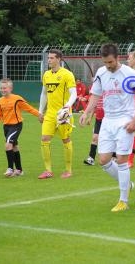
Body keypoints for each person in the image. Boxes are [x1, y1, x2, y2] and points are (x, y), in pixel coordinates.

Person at [79, 43, 135, 212]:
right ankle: (127, 184)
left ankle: (123, 201)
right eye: (105, 62)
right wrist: (86, 112)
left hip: (125, 119)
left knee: (122, 160)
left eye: (110, 62)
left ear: (117, 58)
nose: (108, 66)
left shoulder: (129, 73)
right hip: (108, 120)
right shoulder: (101, 73)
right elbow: (95, 95)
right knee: (103, 160)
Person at [38, 49, 77, 179]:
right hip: (49, 114)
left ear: (59, 59)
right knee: (44, 139)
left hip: (63, 114)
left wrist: (67, 107)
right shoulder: (46, 75)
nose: (49, 60)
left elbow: (74, 93)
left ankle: (68, 170)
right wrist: (40, 111)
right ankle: (48, 170)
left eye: (52, 58)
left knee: (65, 140)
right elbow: (44, 94)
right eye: (48, 58)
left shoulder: (67, 74)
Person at [0, 78, 40, 177]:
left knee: (8, 145)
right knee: (14, 147)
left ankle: (10, 168)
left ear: (10, 88)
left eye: (5, 88)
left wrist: (39, 115)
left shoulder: (17, 98)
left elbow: (28, 108)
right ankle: (19, 170)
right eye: (1, 88)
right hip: (6, 127)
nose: (2, 90)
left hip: (16, 125)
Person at [83, 94, 104, 166]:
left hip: (109, 119)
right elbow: (94, 106)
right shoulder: (97, 93)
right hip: (98, 119)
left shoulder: (109, 90)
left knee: (112, 138)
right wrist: (90, 118)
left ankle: (114, 157)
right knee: (95, 138)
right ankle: (91, 158)